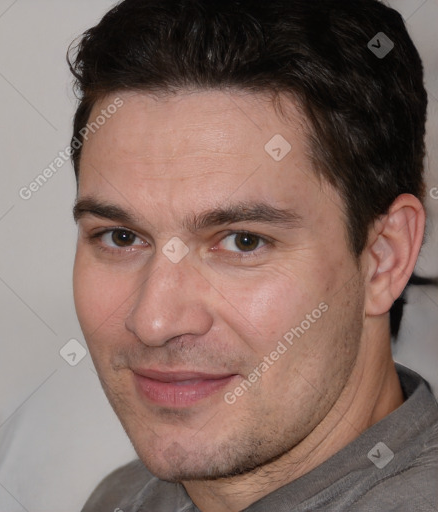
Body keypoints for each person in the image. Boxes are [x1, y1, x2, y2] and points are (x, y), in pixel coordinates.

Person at [68, 0, 438, 510]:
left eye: (243, 241)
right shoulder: (123, 498)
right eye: (121, 237)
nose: (154, 321)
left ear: (384, 257)